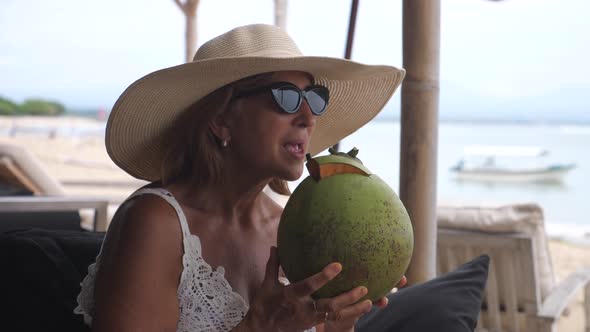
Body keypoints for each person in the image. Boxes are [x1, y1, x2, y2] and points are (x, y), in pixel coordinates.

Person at [75, 23, 406, 332]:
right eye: (286, 97)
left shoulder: (287, 228)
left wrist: (336, 325)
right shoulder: (156, 223)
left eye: (314, 98)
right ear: (220, 119)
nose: (308, 117)